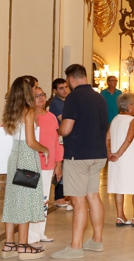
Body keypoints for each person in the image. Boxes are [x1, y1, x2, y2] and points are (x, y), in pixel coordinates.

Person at [52, 64, 108, 259]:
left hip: (79, 155)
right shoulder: (99, 97)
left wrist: (57, 133)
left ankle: (76, 248)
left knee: (78, 201)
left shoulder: (74, 97)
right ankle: (96, 240)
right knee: (93, 196)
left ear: (71, 79)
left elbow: (66, 128)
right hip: (98, 154)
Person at [2, 76, 48, 260]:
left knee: (13, 200)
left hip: (14, 157)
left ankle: (9, 245)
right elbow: (30, 141)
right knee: (26, 201)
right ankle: (22, 246)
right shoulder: (28, 111)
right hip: (27, 159)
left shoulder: (11, 110)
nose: (36, 91)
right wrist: (45, 149)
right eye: (34, 88)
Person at [106, 93, 134, 227]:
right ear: (130, 106)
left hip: (116, 159)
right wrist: (118, 153)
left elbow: (107, 137)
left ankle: (120, 216)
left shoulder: (115, 119)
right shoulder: (133, 120)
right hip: (131, 158)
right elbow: (129, 139)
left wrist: (110, 152)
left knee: (119, 186)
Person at [28, 86, 63, 245]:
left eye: (42, 95)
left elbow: (58, 142)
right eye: (36, 96)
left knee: (43, 200)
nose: (41, 98)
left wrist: (58, 163)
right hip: (32, 164)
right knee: (33, 200)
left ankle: (40, 232)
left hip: (49, 165)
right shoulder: (29, 117)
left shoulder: (51, 117)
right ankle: (31, 235)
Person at [48, 78, 70, 210]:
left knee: (66, 167)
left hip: (67, 138)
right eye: (61, 88)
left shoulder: (68, 101)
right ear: (55, 91)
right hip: (59, 139)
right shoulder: (55, 103)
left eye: (66, 87)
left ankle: (63, 195)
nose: (65, 90)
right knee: (61, 167)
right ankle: (58, 197)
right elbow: (65, 120)